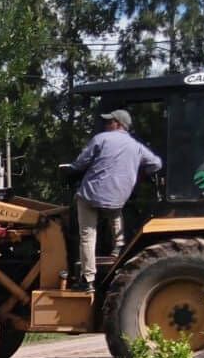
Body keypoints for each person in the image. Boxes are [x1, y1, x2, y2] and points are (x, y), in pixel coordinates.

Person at [67, 108, 162, 290]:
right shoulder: (137, 147)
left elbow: (80, 163)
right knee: (115, 210)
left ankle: (88, 279)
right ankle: (118, 246)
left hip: (91, 195)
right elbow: (156, 163)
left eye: (109, 121)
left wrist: (71, 170)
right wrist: (143, 172)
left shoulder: (101, 139)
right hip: (117, 197)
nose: (106, 124)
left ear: (118, 124)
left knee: (87, 234)